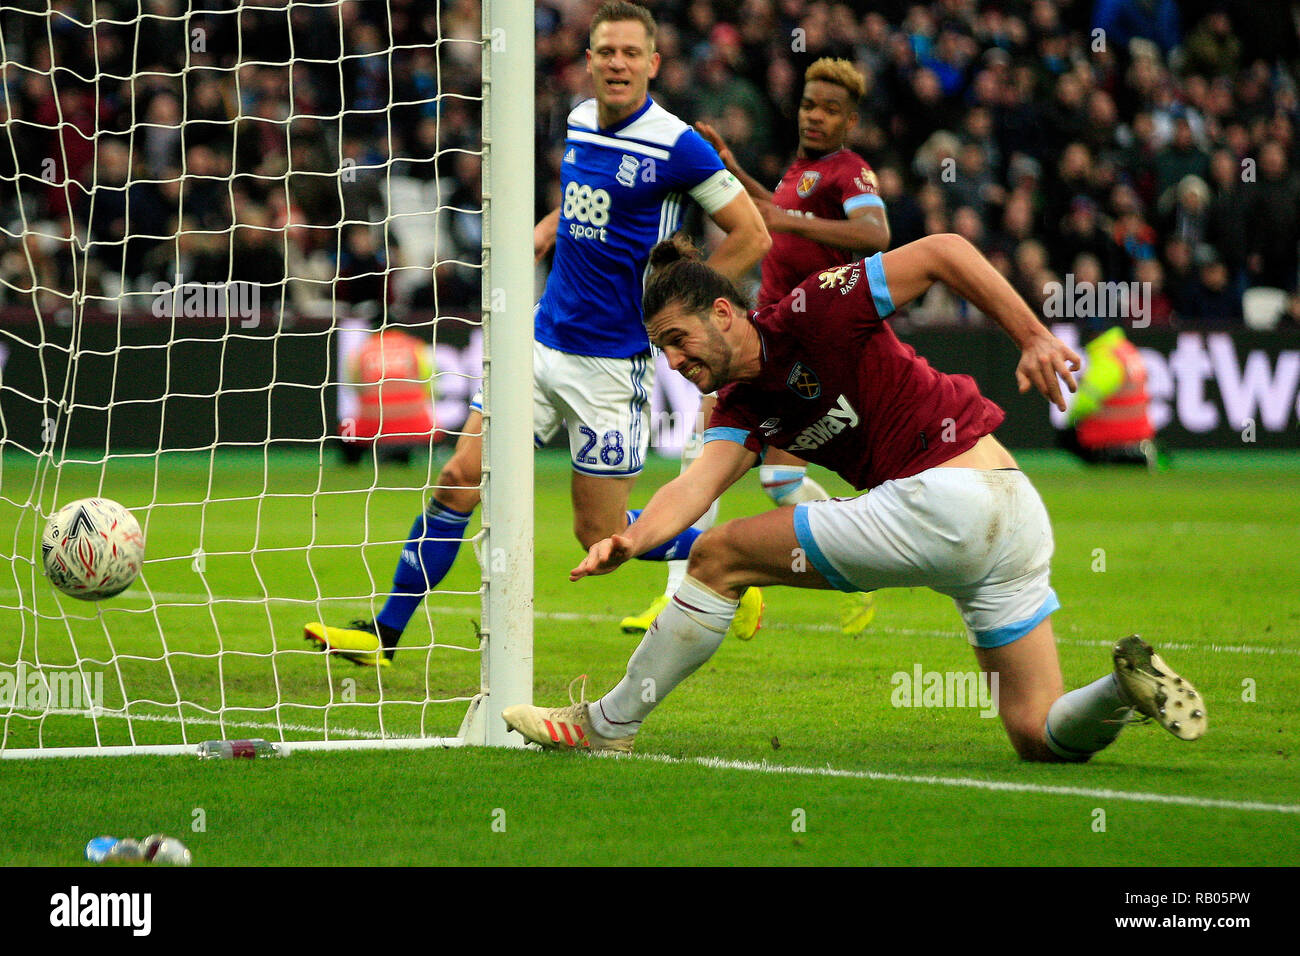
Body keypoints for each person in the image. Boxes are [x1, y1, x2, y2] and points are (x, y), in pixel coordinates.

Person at [502, 233, 1206, 760]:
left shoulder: (816, 307)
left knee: (717, 558)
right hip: (1012, 512)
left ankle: (607, 725)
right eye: (663, 354)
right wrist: (633, 539)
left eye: (679, 342)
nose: (676, 364)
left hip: (946, 497)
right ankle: (1122, 688)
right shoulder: (743, 408)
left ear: (723, 312)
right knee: (1038, 732)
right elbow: (694, 485)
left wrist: (1030, 336)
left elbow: (944, 251)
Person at [305, 1, 770, 666]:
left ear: (653, 64)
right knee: (459, 479)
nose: (617, 63)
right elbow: (590, 197)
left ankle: (727, 560)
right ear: (589, 60)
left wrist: (679, 309)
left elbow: (753, 233)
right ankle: (385, 632)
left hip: (610, 367)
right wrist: (550, 228)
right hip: (538, 342)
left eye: (631, 53)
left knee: (599, 532)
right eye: (606, 51)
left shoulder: (677, 144)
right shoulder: (581, 121)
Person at [620, 57, 892, 639]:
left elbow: (875, 236)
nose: (815, 116)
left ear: (850, 119)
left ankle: (856, 566)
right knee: (722, 458)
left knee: (762, 476)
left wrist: (789, 221)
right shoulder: (802, 171)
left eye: (830, 109)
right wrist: (733, 167)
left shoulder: (851, 172)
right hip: (759, 334)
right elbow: (778, 211)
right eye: (808, 104)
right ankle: (680, 591)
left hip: (806, 343)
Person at [1060, 325, 1162, 469]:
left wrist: (1069, 422)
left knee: (1064, 437)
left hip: (1108, 439)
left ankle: (1102, 466)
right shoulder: (1127, 350)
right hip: (1141, 436)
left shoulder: (1106, 357)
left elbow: (1084, 403)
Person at [339, 322, 439, 467]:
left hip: (372, 425)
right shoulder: (415, 347)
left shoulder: (363, 350)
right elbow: (429, 385)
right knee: (432, 425)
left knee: (344, 431)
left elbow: (354, 386)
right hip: (416, 425)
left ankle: (352, 467)